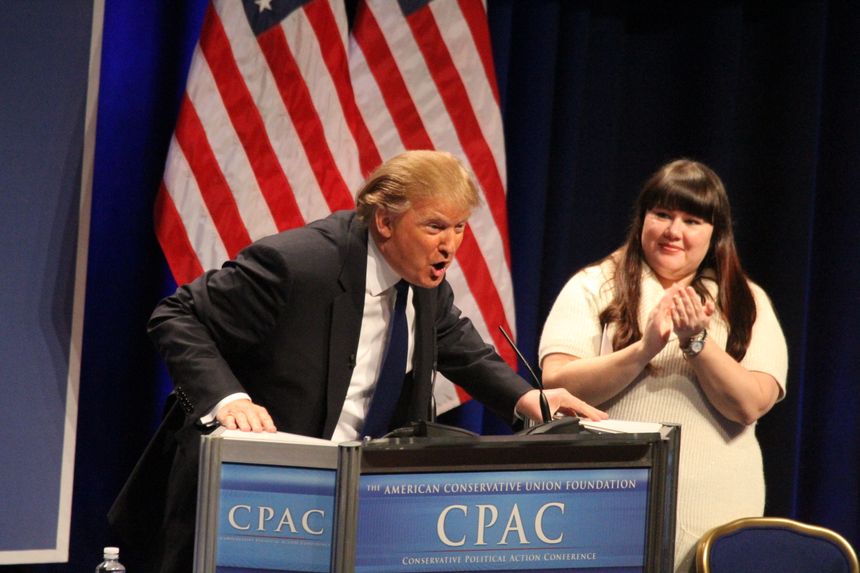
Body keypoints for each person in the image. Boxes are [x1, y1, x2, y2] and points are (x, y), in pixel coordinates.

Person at [109, 150, 606, 573]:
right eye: (435, 226)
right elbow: (176, 314)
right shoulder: (299, 264)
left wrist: (530, 399)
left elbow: (456, 342)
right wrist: (227, 398)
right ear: (385, 221)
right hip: (251, 495)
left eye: (458, 227)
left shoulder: (425, 281)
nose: (450, 245)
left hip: (350, 498)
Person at [538, 159, 788, 572]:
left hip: (716, 515)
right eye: (662, 215)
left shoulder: (746, 300)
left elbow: (750, 404)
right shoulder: (594, 285)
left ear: (716, 234)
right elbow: (559, 384)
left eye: (692, 220)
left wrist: (697, 344)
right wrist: (644, 349)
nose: (674, 231)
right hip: (604, 507)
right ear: (642, 220)